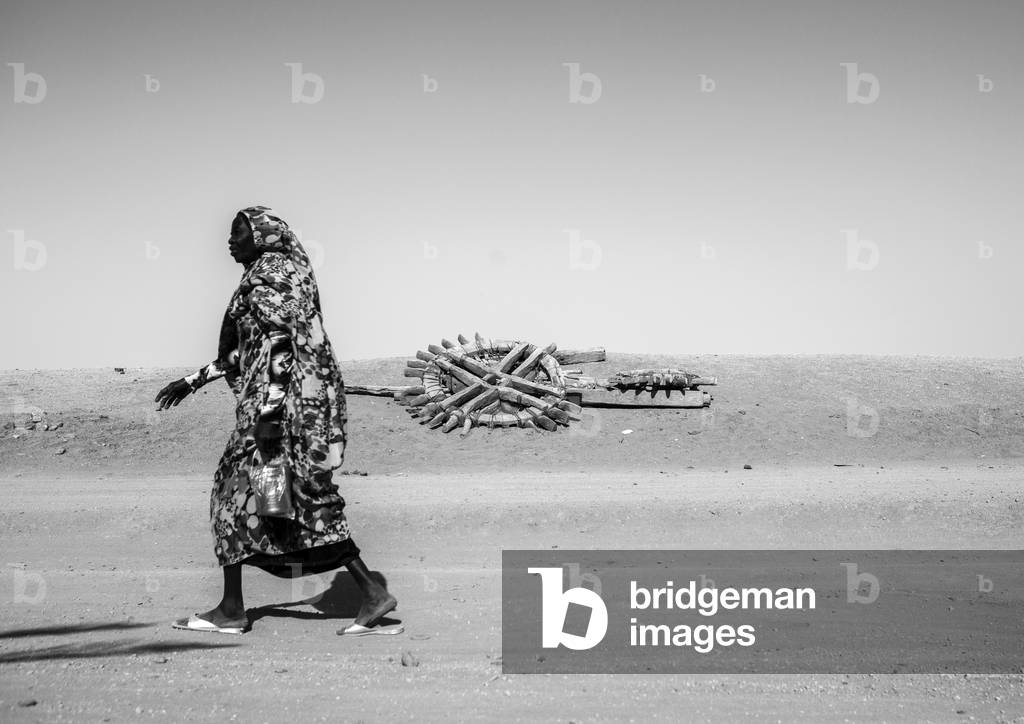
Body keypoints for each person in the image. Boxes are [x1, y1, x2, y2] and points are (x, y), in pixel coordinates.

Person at [155, 206, 398, 636]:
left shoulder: (270, 274)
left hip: (274, 417)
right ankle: (365, 594)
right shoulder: (271, 275)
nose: (230, 241)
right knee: (287, 504)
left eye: (238, 233)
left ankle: (233, 610)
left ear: (263, 236)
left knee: (232, 498)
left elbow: (283, 343)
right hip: (280, 413)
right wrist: (192, 381)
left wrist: (268, 415)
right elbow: (245, 352)